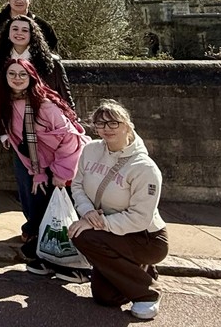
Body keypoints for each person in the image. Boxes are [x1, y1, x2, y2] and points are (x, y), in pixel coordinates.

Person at [69, 100, 168, 321]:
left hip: (146, 238)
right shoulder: (91, 149)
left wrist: (94, 223)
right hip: (108, 231)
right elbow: (77, 185)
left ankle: (148, 293)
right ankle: (142, 271)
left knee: (83, 236)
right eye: (100, 123)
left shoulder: (144, 168)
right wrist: (87, 212)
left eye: (113, 123)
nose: (106, 128)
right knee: (105, 298)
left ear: (127, 125)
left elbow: (140, 218)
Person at [0, 58, 87, 275]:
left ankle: (72, 264)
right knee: (42, 211)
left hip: (65, 163)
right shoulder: (7, 103)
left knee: (64, 215)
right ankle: (47, 257)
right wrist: (37, 173)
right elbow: (23, 147)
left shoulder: (45, 104)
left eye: (22, 74)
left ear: (31, 77)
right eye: (12, 74)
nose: (17, 79)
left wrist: (60, 174)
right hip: (40, 166)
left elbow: (70, 139)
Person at [0, 14, 75, 112]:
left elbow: (64, 94)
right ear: (8, 33)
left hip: (44, 114)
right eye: (15, 29)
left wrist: (72, 116)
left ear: (32, 34)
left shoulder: (50, 61)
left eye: (24, 30)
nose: (19, 33)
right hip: (10, 114)